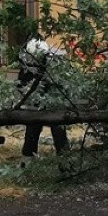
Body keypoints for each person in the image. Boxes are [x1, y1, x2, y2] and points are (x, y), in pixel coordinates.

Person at [18, 38, 69, 167]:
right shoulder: (27, 62)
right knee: (32, 129)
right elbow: (21, 83)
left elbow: (64, 83)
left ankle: (65, 162)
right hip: (36, 103)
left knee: (59, 131)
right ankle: (27, 161)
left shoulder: (55, 63)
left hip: (55, 102)